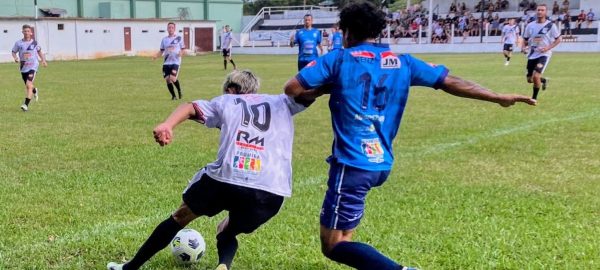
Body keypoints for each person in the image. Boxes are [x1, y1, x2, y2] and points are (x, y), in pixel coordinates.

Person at [284, 2, 536, 270]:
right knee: (346, 235)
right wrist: (497, 97)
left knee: (333, 244)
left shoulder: (338, 59)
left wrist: (326, 88)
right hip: (381, 162)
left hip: (352, 163)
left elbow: (292, 88)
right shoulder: (403, 62)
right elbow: (451, 81)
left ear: (346, 32)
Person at [107, 70, 318, 270]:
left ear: (231, 89)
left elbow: (190, 108)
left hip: (226, 178)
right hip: (271, 190)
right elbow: (308, 93)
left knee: (180, 217)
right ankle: (223, 265)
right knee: (226, 231)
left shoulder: (227, 100)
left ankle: (129, 267)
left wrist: (168, 124)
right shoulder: (282, 102)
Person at [523, 4, 562, 100]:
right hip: (532, 54)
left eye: (542, 10)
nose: (540, 12)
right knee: (530, 79)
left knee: (536, 76)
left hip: (544, 54)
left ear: (546, 12)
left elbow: (558, 39)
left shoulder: (551, 25)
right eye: (538, 10)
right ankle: (544, 80)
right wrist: (524, 47)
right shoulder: (530, 25)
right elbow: (525, 39)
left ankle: (534, 99)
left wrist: (548, 48)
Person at [11, 24, 47, 112]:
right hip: (23, 67)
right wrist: (15, 58)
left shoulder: (35, 43)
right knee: (29, 85)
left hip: (33, 66)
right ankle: (35, 90)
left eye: (28, 31)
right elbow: (13, 52)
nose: (26, 32)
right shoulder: (18, 43)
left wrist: (43, 60)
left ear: (31, 33)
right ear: (22, 32)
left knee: (28, 85)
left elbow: (39, 52)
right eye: (25, 31)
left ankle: (25, 105)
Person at [153, 22, 184, 100]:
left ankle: (179, 91)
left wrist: (181, 53)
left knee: (172, 78)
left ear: (174, 29)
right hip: (166, 62)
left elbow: (183, 49)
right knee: (167, 79)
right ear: (167, 29)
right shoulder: (164, 40)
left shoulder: (179, 38)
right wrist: (156, 56)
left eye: (172, 27)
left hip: (175, 62)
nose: (170, 29)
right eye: (169, 27)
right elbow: (161, 51)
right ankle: (173, 96)